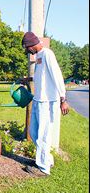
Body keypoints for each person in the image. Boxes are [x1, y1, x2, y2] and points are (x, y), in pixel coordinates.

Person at [21, 32, 70, 176]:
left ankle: (43, 169)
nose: (28, 51)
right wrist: (28, 79)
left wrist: (63, 99)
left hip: (48, 101)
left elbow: (57, 76)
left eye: (27, 48)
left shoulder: (47, 54)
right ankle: (45, 160)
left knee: (43, 134)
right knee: (34, 132)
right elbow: (41, 76)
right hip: (38, 99)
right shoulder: (38, 57)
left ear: (31, 45)